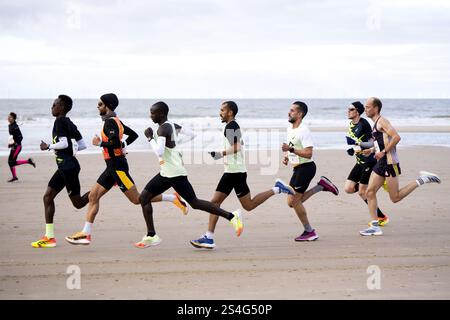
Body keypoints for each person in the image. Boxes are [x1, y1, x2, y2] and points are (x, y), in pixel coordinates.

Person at [65, 94, 187, 245]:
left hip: (118, 168)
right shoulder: (116, 121)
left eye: (100, 104)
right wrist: (124, 146)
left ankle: (172, 198)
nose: (98, 107)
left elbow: (115, 143)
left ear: (108, 106)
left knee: (137, 200)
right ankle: (86, 234)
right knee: (93, 196)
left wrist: (100, 144)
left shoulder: (111, 122)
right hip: (111, 168)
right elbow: (133, 135)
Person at [134, 101, 243, 248]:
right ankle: (151, 235)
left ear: (161, 114)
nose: (150, 116)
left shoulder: (162, 129)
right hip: (167, 172)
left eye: (153, 113)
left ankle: (231, 216)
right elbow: (192, 134)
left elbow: (159, 151)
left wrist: (149, 138)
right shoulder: (172, 126)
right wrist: (174, 144)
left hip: (174, 174)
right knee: (144, 197)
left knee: (195, 203)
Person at [190, 101, 293, 249]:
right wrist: (222, 155)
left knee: (221, 204)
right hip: (233, 171)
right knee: (239, 205)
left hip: (235, 173)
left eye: (222, 110)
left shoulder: (231, 126)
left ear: (230, 112)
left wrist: (220, 154)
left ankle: (209, 237)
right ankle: (209, 237)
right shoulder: (232, 126)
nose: (220, 113)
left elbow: (237, 147)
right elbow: (238, 145)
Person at [360, 97, 441, 236]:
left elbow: (397, 137)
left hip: (390, 162)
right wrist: (372, 150)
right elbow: (382, 141)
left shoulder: (382, 121)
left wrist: (383, 152)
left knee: (395, 198)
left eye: (368, 107)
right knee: (369, 192)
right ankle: (375, 226)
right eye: (365, 107)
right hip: (381, 162)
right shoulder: (375, 124)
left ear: (376, 108)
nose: (365, 109)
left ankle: (423, 179)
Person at [31, 95, 90, 248]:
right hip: (66, 166)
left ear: (62, 107)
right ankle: (49, 237)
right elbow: (82, 145)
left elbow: (63, 143)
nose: (52, 106)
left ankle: (102, 187)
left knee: (78, 203)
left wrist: (48, 147)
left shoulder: (59, 122)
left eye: (55, 104)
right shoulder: (69, 122)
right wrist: (70, 154)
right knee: (47, 197)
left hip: (68, 167)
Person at [280, 101, 339, 241]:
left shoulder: (304, 130)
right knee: (291, 202)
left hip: (306, 168)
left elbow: (308, 153)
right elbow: (291, 145)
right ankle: (321, 186)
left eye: (292, 110)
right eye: (290, 110)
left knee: (295, 201)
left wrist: (291, 150)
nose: (289, 112)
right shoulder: (290, 128)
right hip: (297, 169)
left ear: (300, 114)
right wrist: (287, 156)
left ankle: (309, 231)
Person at [343, 101, 389, 226]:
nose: (348, 111)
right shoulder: (351, 124)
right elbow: (357, 141)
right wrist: (353, 149)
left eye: (351, 109)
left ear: (357, 111)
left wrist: (358, 144)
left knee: (362, 192)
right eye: (348, 109)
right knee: (348, 188)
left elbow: (371, 143)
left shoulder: (364, 124)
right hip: (359, 161)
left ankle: (380, 217)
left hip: (369, 161)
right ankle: (370, 190)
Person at [7, 112, 35, 182]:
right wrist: (10, 143)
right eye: (8, 117)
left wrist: (15, 144)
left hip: (17, 147)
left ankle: (28, 161)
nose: (8, 118)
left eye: (10, 117)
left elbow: (21, 137)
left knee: (11, 162)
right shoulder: (10, 126)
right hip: (14, 146)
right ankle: (14, 177)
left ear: (13, 119)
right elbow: (12, 137)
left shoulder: (15, 127)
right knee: (10, 162)